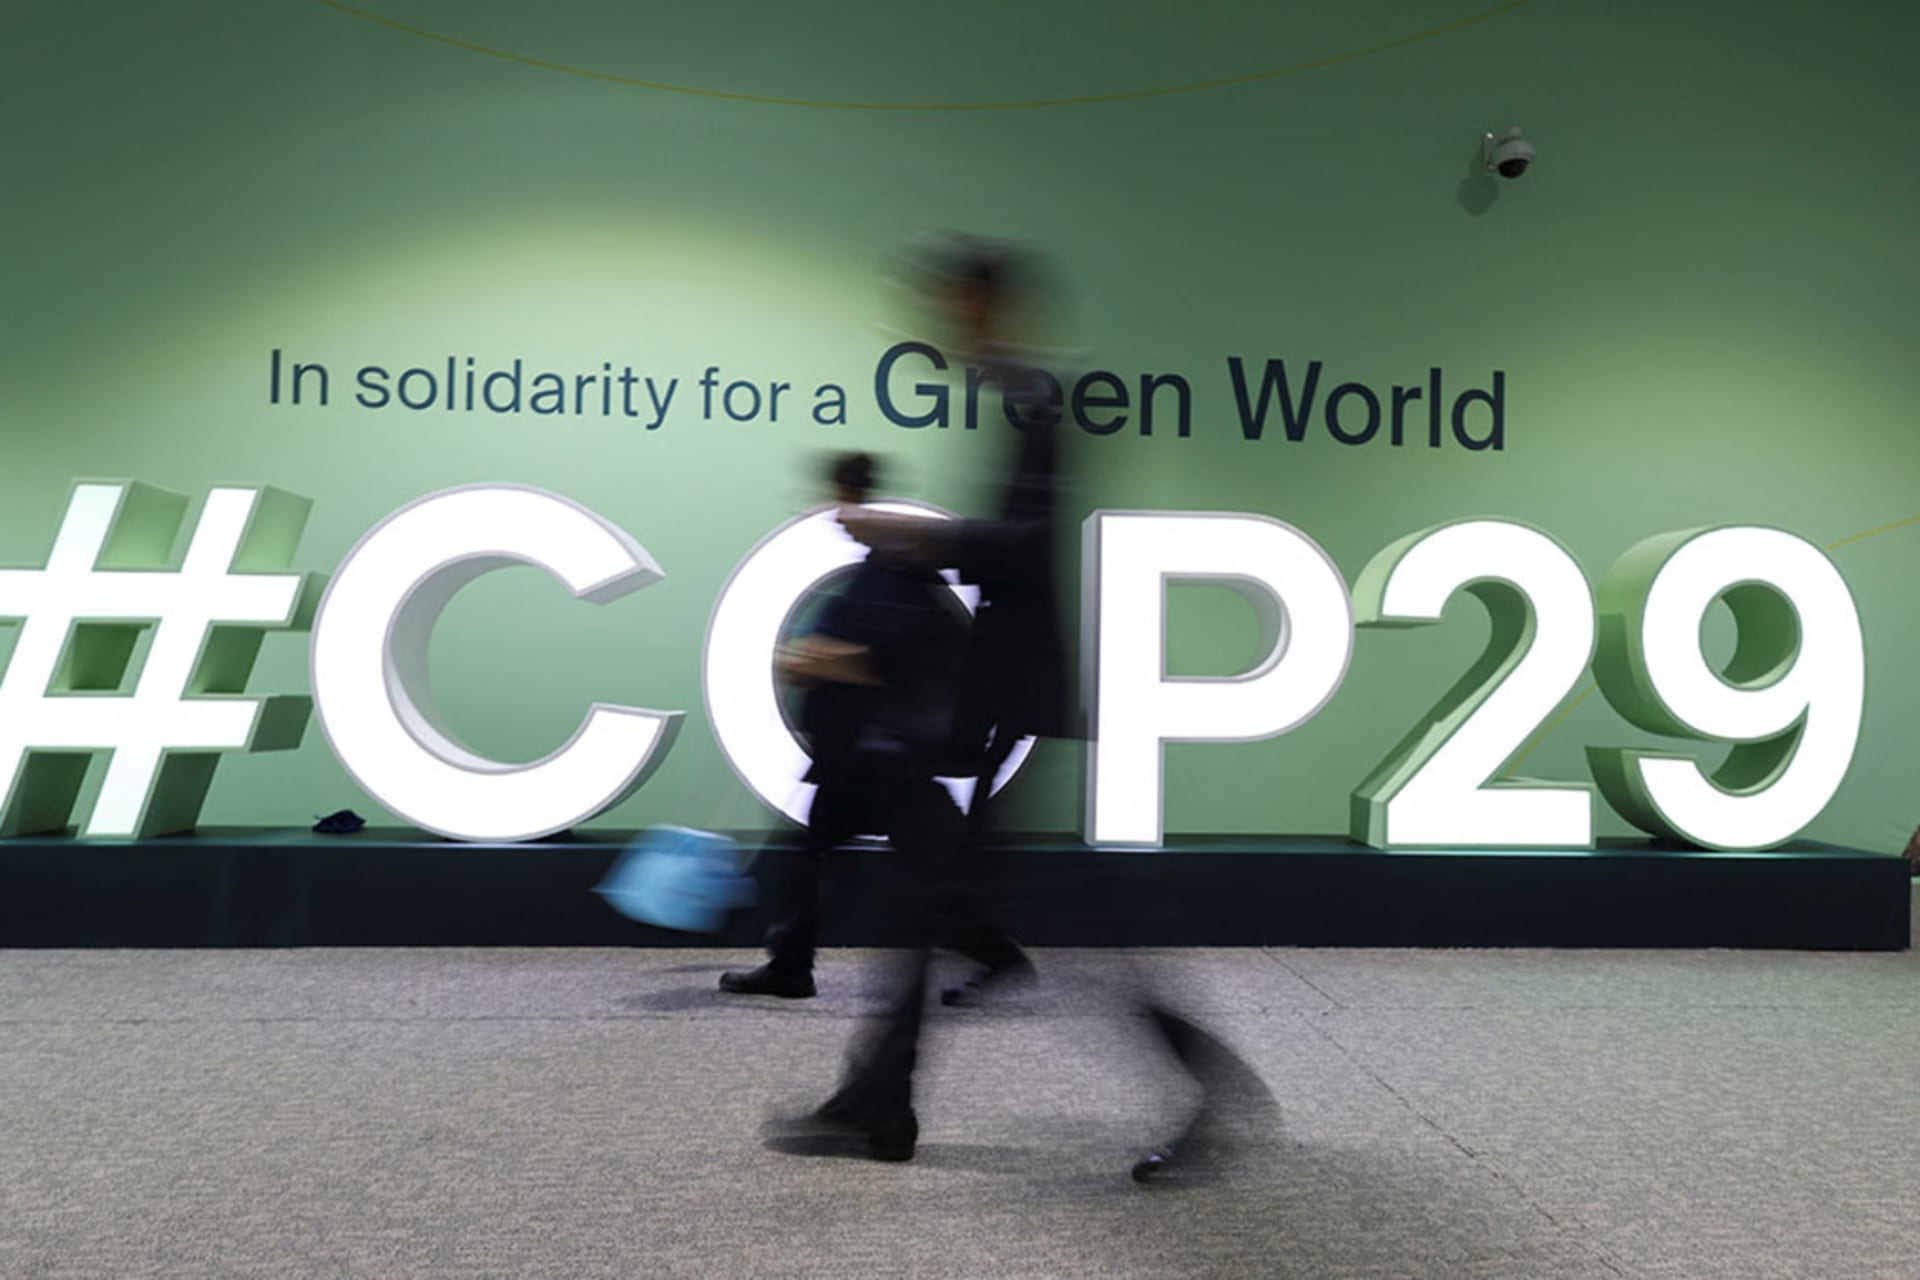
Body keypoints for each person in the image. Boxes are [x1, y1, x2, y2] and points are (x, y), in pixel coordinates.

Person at [718, 452, 974, 1003]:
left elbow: (881, 660)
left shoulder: (893, 569)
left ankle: (993, 953)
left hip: (884, 760)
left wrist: (813, 661)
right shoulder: (882, 571)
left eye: (840, 501)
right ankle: (791, 965)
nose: (834, 515)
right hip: (872, 759)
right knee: (828, 854)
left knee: (917, 862)